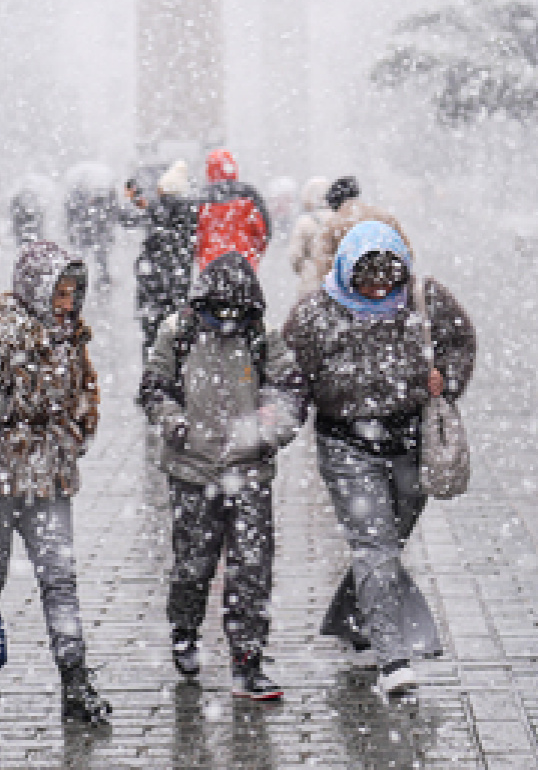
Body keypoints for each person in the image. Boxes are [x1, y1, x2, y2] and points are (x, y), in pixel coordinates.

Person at [283, 221, 475, 699]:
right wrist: (278, 424)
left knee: (388, 546)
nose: (377, 287)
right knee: (376, 549)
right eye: (366, 277)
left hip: (409, 443)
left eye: (387, 276)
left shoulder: (423, 298)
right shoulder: (315, 313)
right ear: (347, 271)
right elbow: (288, 374)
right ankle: (393, 661)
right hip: (345, 445)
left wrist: (445, 381)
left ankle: (354, 620)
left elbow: (459, 342)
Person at [0, 241, 112, 726]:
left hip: (48, 483)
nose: (66, 304)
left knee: (60, 578)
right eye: (59, 293)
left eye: (73, 294)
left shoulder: (72, 345)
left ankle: (74, 678)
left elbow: (86, 401)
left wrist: (71, 435)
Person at [139, 251, 305, 700]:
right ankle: (185, 627)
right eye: (217, 311)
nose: (225, 320)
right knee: (193, 564)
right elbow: (154, 385)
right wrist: (173, 422)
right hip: (192, 470)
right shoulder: (179, 332)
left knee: (252, 567)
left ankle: (247, 661)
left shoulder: (262, 338)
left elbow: (291, 390)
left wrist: (269, 433)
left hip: (248, 469)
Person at [124, 160, 199, 352]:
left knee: (152, 338)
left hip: (153, 290)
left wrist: (133, 195)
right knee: (176, 334)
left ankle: (152, 370)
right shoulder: (192, 212)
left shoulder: (158, 209)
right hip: (178, 287)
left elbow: (128, 217)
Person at [196, 149, 272, 271]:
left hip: (210, 265)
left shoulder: (201, 200)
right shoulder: (249, 195)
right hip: (244, 263)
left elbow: (195, 237)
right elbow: (263, 232)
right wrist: (254, 255)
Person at [316, 176, 411, 268]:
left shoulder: (332, 224)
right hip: (388, 276)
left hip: (355, 280)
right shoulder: (383, 215)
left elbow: (323, 263)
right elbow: (407, 250)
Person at [286, 176, 333, 297]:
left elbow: (295, 256)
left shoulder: (304, 222)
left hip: (311, 283)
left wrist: (304, 270)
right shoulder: (340, 219)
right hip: (335, 284)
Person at [64, 182, 117, 289]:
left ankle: (98, 277)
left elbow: (111, 213)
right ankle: (99, 278)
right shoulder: (81, 196)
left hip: (92, 232)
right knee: (95, 255)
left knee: (96, 256)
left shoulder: (101, 195)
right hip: (91, 232)